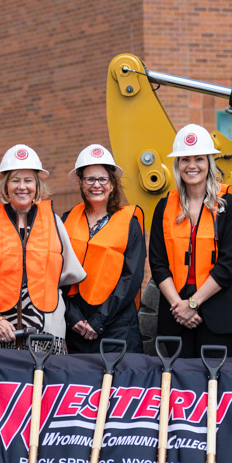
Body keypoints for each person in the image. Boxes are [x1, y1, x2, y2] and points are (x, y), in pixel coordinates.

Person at [0, 145, 85, 354]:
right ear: (5, 186)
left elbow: (64, 280)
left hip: (46, 333)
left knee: (43, 386)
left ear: (37, 184)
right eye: (15, 180)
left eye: (28, 180)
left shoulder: (54, 222)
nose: (22, 187)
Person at [150, 124, 232, 358]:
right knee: (178, 389)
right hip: (175, 316)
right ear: (177, 165)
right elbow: (158, 264)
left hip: (217, 315)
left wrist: (192, 304)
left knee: (215, 387)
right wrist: (179, 306)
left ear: (209, 163)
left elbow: (228, 264)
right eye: (185, 159)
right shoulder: (164, 207)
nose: (192, 166)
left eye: (199, 159)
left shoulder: (229, 203)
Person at [62, 144, 145, 354]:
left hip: (117, 327)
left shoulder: (129, 222)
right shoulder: (65, 220)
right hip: (76, 327)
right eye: (90, 179)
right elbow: (54, 273)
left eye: (102, 179)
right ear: (80, 183)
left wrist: (99, 320)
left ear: (113, 184)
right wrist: (72, 317)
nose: (96, 185)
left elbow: (131, 277)